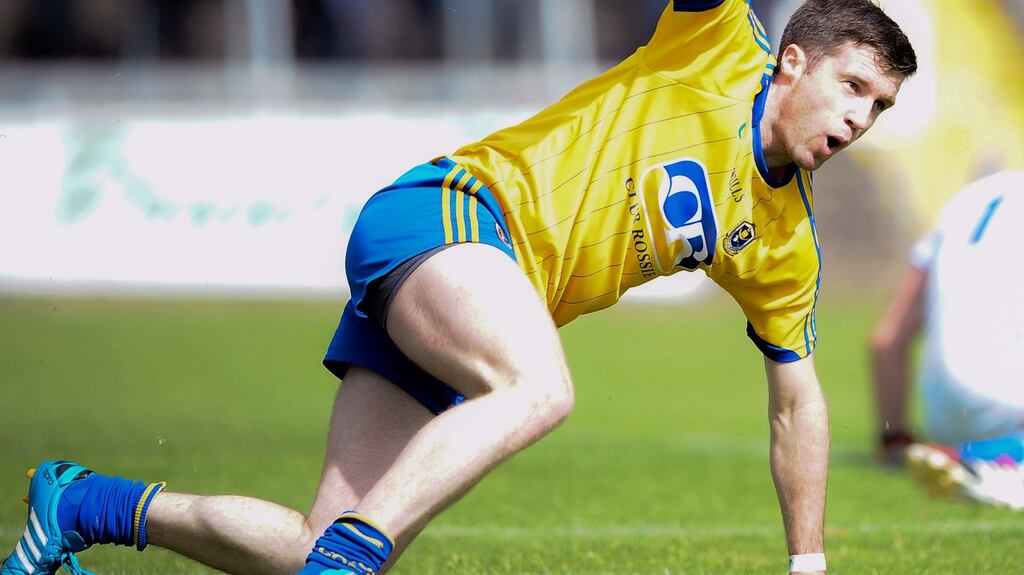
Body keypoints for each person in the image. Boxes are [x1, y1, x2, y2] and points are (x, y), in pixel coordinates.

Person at [2, 1, 916, 574]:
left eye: (878, 107)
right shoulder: (716, 42)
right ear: (793, 61)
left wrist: (808, 563)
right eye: (853, 86)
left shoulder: (787, 242)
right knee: (541, 388)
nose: (860, 118)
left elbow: (797, 403)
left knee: (317, 539)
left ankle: (84, 503)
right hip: (449, 214)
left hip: (476, 296)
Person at [870, 171, 1024, 506]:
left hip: (942, 416)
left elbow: (885, 340)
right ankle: (998, 465)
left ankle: (968, 456)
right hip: (1012, 409)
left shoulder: (966, 200)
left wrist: (893, 440)